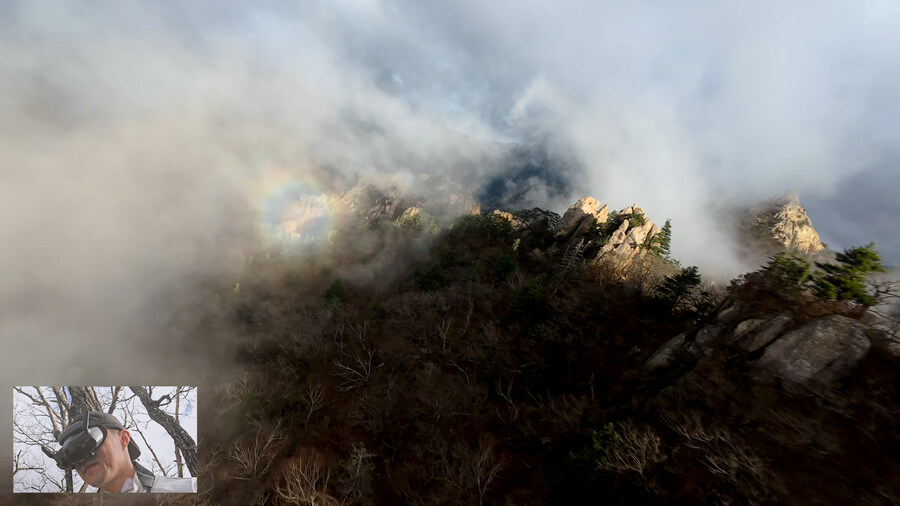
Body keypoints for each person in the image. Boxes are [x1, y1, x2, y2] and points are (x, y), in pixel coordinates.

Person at [54, 411, 197, 493]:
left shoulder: (189, 489)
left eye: (88, 443)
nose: (81, 459)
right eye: (71, 456)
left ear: (123, 439)